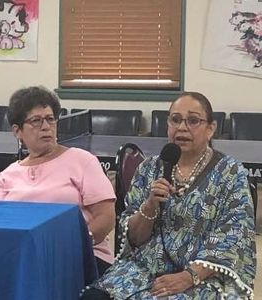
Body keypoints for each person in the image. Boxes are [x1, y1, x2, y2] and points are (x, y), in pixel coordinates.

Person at [82, 92, 256, 299]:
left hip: (204, 274)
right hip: (144, 268)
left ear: (211, 129)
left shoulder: (230, 172)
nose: (182, 127)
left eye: (193, 120)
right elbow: (135, 238)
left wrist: (189, 276)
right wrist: (149, 206)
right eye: (175, 120)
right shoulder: (149, 168)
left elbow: (233, 236)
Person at [0, 86, 116, 275]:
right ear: (17, 131)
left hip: (82, 256)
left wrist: (74, 244)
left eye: (50, 119)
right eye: (36, 121)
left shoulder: (82, 160)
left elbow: (106, 217)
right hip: (24, 259)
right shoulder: (6, 176)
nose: (46, 126)